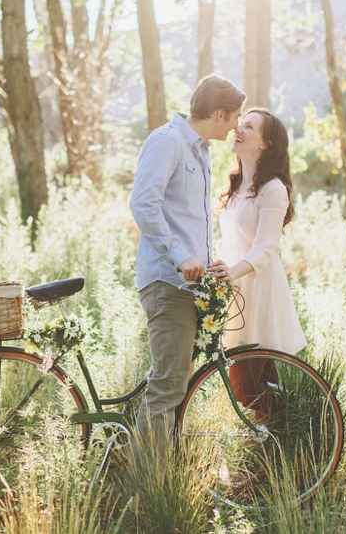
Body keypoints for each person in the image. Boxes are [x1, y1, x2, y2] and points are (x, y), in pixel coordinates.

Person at [129, 74, 246, 453]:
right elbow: (143, 204)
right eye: (234, 118)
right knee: (166, 386)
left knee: (175, 383)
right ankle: (149, 489)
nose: (236, 126)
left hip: (189, 284)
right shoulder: (167, 142)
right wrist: (181, 258)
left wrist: (206, 263)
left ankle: (164, 472)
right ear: (219, 113)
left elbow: (186, 218)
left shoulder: (199, 149)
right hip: (167, 283)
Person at [207, 108, 306, 419]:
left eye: (249, 127)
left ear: (266, 144)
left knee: (246, 385)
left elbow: (265, 248)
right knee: (256, 379)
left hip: (258, 286)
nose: (238, 128)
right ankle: (283, 440)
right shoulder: (236, 186)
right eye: (241, 123)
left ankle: (309, 419)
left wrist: (232, 272)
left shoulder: (273, 189)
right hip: (235, 286)